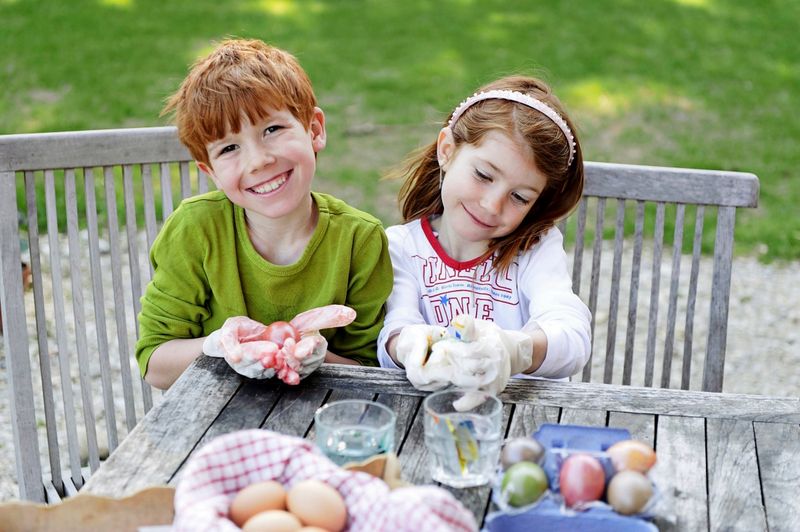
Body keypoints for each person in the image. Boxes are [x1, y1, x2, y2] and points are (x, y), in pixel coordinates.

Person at [136, 39, 393, 389]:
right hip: (216, 423)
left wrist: (314, 355)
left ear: (314, 130)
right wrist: (220, 346)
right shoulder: (195, 230)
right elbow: (155, 365)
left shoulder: (359, 239)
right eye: (229, 148)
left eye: (272, 129)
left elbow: (371, 370)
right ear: (210, 172)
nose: (259, 161)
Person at [377, 75, 591, 396]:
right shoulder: (402, 246)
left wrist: (516, 350)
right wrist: (408, 345)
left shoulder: (534, 247)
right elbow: (395, 330)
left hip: (525, 422)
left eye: (519, 197)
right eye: (484, 175)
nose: (492, 205)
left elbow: (572, 336)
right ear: (447, 150)